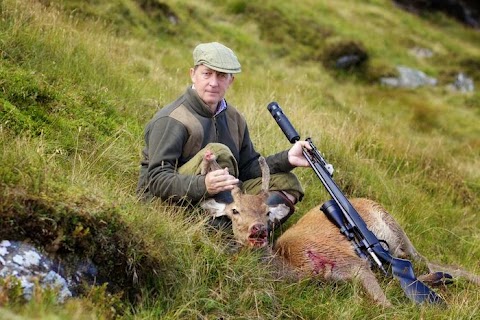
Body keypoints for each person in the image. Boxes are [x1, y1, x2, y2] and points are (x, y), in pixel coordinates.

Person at [137, 41, 311, 228]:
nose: (213, 82)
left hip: (225, 194)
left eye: (221, 76)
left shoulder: (234, 118)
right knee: (218, 151)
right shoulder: (172, 119)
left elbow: (246, 168)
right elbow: (155, 179)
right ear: (193, 75)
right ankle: (219, 231)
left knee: (287, 182)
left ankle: (252, 231)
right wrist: (203, 185)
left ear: (231, 80)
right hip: (170, 203)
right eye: (206, 74)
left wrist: (287, 158)